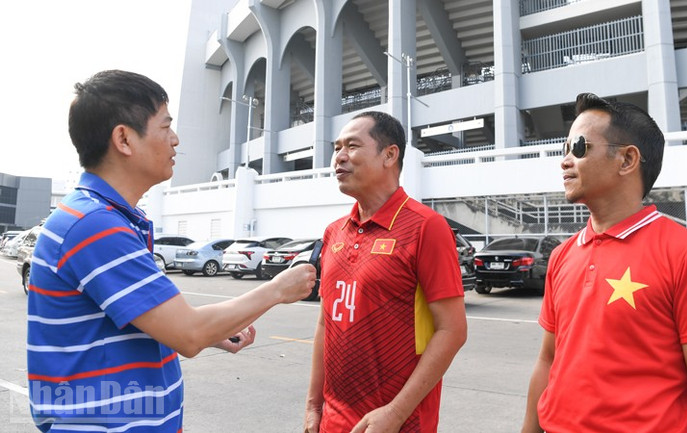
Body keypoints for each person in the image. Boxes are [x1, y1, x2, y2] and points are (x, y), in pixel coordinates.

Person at [26, 70, 316, 432]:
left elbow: (151, 322)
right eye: (165, 127)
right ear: (124, 139)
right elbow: (188, 334)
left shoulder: (107, 218)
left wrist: (212, 331)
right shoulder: (95, 227)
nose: (175, 140)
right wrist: (278, 289)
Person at [521, 93, 687, 433]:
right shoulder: (562, 256)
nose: (566, 160)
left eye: (580, 146)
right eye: (564, 148)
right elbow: (548, 361)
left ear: (627, 159)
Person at [303, 111, 467, 432]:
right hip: (332, 421)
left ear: (390, 155)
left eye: (352, 146)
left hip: (398, 423)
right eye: (336, 148)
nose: (339, 157)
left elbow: (452, 331)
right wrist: (313, 406)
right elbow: (326, 322)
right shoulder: (333, 233)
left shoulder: (425, 228)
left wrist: (394, 413)